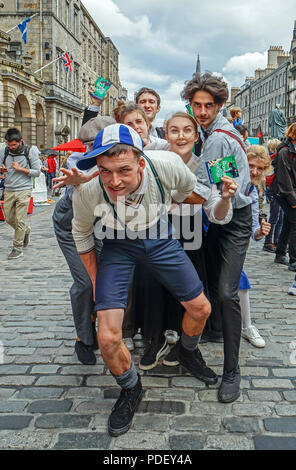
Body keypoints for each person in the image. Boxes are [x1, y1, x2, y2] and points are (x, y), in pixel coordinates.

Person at [70, 123, 236, 436]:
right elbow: (80, 232)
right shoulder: (90, 191)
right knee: (106, 337)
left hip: (160, 238)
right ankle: (131, 388)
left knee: (201, 309)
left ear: (141, 162)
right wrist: (95, 285)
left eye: (123, 170)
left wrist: (222, 200)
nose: (115, 181)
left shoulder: (168, 167)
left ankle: (187, 351)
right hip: (118, 245)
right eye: (105, 171)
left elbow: (193, 197)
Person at [132, 111, 237, 370]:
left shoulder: (210, 163)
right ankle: (153, 340)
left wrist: (225, 198)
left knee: (190, 297)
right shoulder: (150, 160)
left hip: (189, 235)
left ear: (196, 134)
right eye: (174, 130)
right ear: (165, 134)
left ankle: (185, 346)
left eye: (187, 130)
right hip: (152, 233)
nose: (181, 136)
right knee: (152, 291)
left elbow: (217, 215)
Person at [181, 73, 252, 403]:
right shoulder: (208, 133)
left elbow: (210, 192)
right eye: (197, 105)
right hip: (215, 219)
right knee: (210, 286)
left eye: (209, 105)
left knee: (226, 293)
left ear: (221, 105)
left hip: (232, 221)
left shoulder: (218, 139)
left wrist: (169, 190)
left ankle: (232, 370)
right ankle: (205, 339)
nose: (202, 111)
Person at [52, 116, 115, 365]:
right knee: (86, 282)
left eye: (96, 144)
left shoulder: (119, 158)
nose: (91, 150)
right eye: (88, 144)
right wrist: (80, 183)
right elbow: (75, 188)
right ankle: (83, 339)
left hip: (97, 228)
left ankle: (95, 330)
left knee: (101, 279)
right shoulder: (78, 161)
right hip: (70, 227)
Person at [240, 145, 271, 348]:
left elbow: (253, 229)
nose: (254, 172)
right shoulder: (235, 183)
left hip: (235, 244)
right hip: (209, 235)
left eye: (260, 169)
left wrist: (260, 232)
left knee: (240, 279)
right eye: (251, 166)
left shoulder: (254, 191)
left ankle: (246, 325)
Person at [0, 128, 41, 259]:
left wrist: (20, 169)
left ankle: (17, 248)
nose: (11, 147)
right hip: (9, 189)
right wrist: (2, 169)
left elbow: (37, 172)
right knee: (8, 218)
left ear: (20, 141)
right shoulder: (4, 150)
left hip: (24, 189)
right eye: (9, 144)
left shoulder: (31, 151)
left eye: (14, 145)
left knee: (20, 219)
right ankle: (25, 231)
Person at [272, 122, 296, 271]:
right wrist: (293, 200)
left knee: (289, 221)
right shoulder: (285, 152)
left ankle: (280, 253)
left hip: (290, 191)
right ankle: (294, 260)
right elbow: (284, 180)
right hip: (284, 192)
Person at [263, 138, 283, 253]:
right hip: (275, 191)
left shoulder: (273, 158)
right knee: (275, 218)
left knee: (279, 218)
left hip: (275, 190)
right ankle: (268, 241)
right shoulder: (273, 159)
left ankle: (275, 241)